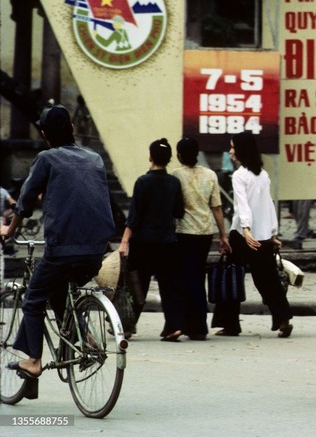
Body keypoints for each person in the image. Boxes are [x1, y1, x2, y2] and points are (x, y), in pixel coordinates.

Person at [1, 105, 115, 388]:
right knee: (60, 289)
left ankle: (34, 362)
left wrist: (9, 230)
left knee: (33, 299)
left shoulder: (47, 159)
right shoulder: (94, 158)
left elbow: (25, 201)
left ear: (44, 133)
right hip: (96, 249)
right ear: (72, 129)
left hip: (63, 248)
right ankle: (85, 337)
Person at [211, 132, 292, 338]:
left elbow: (242, 206)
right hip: (262, 235)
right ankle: (282, 317)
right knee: (267, 278)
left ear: (241, 150)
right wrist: (272, 232)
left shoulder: (240, 175)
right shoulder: (262, 174)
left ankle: (230, 324)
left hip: (242, 234)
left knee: (231, 275)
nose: (230, 151)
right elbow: (268, 206)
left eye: (233, 147)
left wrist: (246, 229)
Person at [118, 139, 185, 341]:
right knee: (168, 285)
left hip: (143, 241)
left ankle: (128, 326)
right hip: (167, 241)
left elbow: (134, 216)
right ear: (168, 159)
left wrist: (124, 242)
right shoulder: (174, 182)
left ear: (150, 157)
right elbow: (179, 212)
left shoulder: (142, 182)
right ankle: (174, 326)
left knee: (137, 285)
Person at [172, 137, 231, 341]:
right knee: (198, 277)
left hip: (184, 232)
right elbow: (216, 207)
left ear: (179, 155)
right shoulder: (210, 175)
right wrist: (223, 235)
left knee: (188, 279)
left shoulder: (176, 176)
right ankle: (197, 325)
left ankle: (194, 326)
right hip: (205, 233)